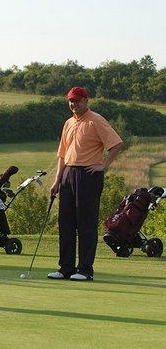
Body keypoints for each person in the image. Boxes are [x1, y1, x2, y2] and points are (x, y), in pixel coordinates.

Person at [48, 87, 123, 281]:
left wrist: (103, 165)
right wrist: (57, 180)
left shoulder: (96, 120)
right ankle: (66, 268)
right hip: (68, 175)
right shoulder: (68, 123)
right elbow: (62, 155)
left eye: (77, 101)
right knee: (66, 222)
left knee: (86, 223)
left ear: (86, 101)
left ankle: (85, 270)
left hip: (88, 175)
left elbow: (116, 144)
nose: (74, 105)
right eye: (71, 101)